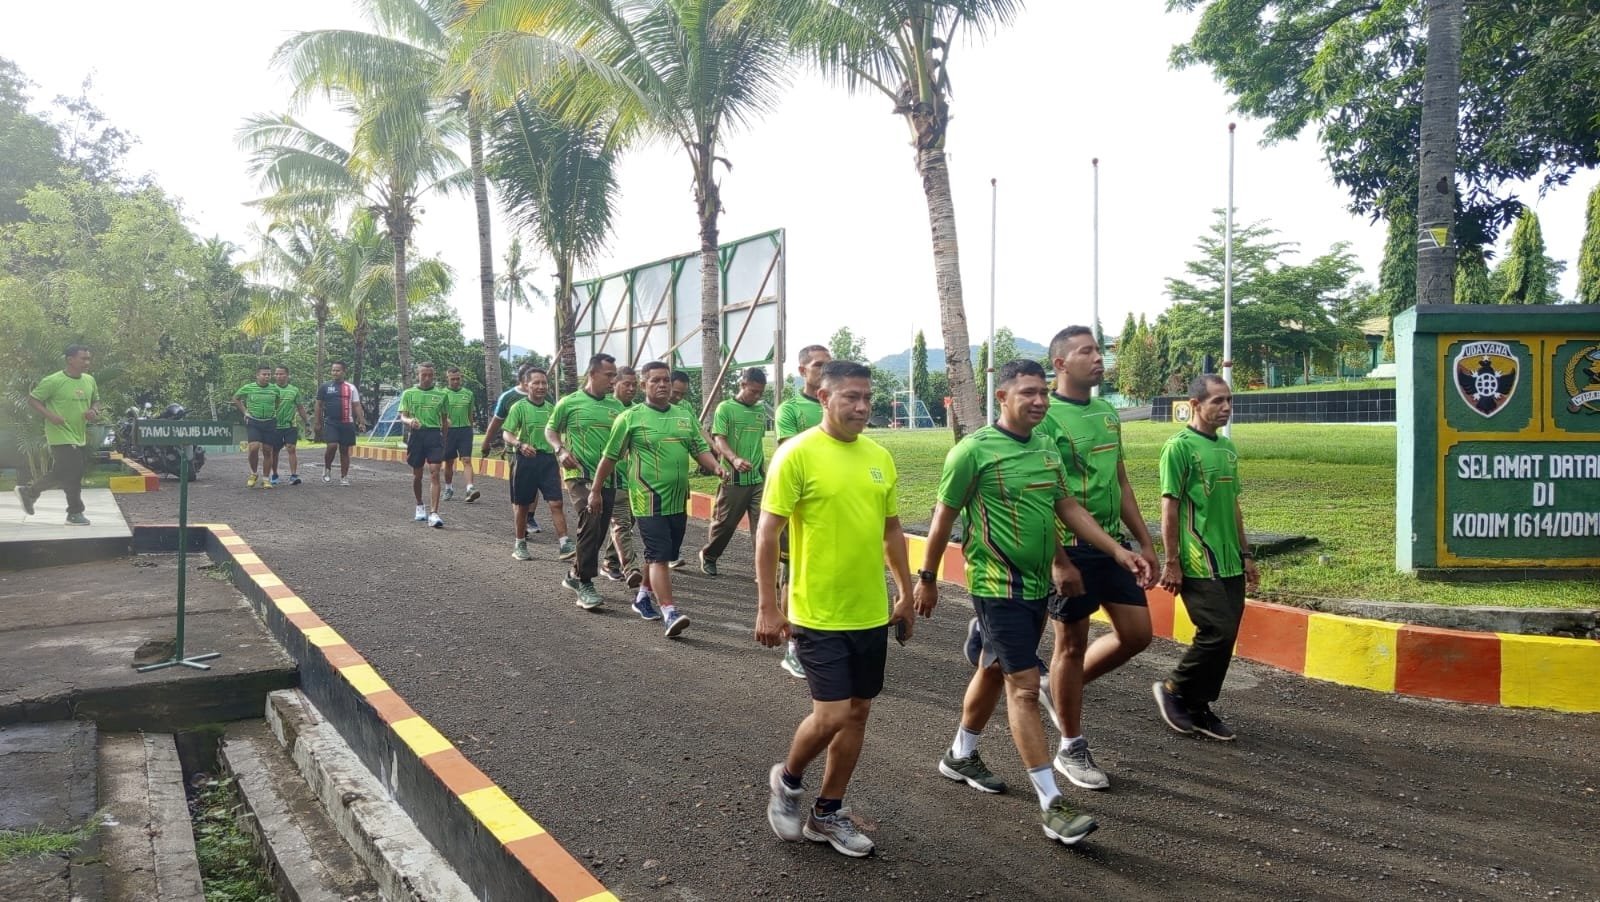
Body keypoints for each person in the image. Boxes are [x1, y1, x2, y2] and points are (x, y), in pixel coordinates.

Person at [915, 359, 1151, 847]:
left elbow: (1066, 507)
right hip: (996, 584)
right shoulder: (973, 452)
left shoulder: (1046, 447)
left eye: (1043, 392)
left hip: (1038, 583)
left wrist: (1115, 549)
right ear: (1002, 398)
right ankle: (1051, 803)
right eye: (1028, 392)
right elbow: (942, 521)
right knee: (1023, 688)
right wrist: (928, 579)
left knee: (996, 667)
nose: (1040, 400)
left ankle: (960, 754)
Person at [756, 360, 916, 859]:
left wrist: (906, 592)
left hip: (869, 611)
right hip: (817, 611)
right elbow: (768, 532)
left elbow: (891, 531)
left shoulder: (879, 457)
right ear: (824, 398)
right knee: (831, 715)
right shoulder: (796, 455)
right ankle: (788, 779)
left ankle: (828, 813)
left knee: (859, 712)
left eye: (867, 397)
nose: (862, 406)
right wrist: (767, 605)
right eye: (850, 397)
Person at [1153, 375, 1259, 741]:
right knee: (1217, 630)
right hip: (1199, 558)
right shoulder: (1179, 447)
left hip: (1230, 558)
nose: (1226, 407)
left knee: (1227, 636)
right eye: (1218, 401)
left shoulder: (1227, 450)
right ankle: (1173, 689)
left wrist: (1246, 554)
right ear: (1195, 404)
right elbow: (1170, 507)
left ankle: (1198, 706)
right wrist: (1172, 561)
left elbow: (1234, 506)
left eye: (1229, 400)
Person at [590, 361, 727, 637]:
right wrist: (595, 490)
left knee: (661, 554)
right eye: (655, 380)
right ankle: (669, 611)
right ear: (644, 385)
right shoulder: (630, 418)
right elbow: (610, 457)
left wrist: (717, 467)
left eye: (665, 379)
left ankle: (642, 596)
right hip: (646, 498)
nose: (662, 384)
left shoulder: (683, 416)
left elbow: (699, 448)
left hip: (678, 499)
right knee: (661, 555)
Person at [770, 343, 832, 679]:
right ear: (802, 371)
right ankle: (792, 644)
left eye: (828, 364)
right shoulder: (790, 409)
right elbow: (790, 456)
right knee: (791, 572)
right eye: (818, 365)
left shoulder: (835, 404)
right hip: (797, 507)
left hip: (831, 507)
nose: (824, 369)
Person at [546, 354, 623, 611]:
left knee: (599, 530)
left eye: (615, 375)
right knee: (591, 518)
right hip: (578, 474)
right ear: (592, 374)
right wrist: (560, 450)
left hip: (609, 477)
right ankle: (584, 582)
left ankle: (573, 573)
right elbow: (551, 430)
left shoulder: (617, 407)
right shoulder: (570, 402)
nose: (613, 380)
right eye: (609, 375)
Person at [16, 345, 101, 525]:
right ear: (70, 360)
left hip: (79, 434)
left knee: (62, 472)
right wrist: (51, 416)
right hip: (59, 434)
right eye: (83, 358)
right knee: (74, 471)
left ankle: (30, 492)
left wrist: (94, 411)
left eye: (88, 358)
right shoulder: (53, 381)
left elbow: (96, 400)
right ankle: (75, 512)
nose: (87, 362)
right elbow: (33, 399)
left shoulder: (89, 380)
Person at [700, 367, 768, 576]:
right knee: (725, 524)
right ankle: (709, 555)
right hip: (733, 477)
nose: (756, 396)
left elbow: (757, 442)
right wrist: (734, 459)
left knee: (762, 527)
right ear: (742, 385)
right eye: (753, 391)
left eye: (760, 392)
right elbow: (720, 438)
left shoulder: (760, 410)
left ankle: (763, 571)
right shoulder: (725, 408)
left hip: (757, 478)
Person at [500, 368, 573, 560]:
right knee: (522, 505)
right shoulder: (519, 407)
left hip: (548, 461)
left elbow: (559, 431)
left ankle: (565, 544)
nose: (541, 387)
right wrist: (519, 444)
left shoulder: (552, 409)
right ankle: (520, 544)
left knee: (556, 502)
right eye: (536, 383)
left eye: (544, 383)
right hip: (525, 461)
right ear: (526, 385)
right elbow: (506, 432)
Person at [602, 365, 644, 586]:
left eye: (634, 385)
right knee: (621, 522)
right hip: (611, 477)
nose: (631, 388)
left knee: (629, 521)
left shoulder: (640, 411)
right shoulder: (605, 408)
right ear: (614, 384)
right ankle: (631, 568)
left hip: (635, 480)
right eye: (626, 384)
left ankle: (609, 562)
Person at [484, 363, 538, 525]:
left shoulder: (544, 396)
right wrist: (486, 442)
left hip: (538, 448)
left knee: (534, 483)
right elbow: (496, 423)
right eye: (532, 380)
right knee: (520, 486)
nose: (537, 384)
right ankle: (520, 521)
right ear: (523, 380)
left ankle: (529, 517)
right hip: (515, 450)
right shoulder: (508, 398)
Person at [399, 362, 451, 528]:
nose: (427, 378)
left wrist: (444, 438)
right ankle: (419, 504)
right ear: (418, 375)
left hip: (434, 435)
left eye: (430, 375)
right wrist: (410, 421)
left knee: (435, 473)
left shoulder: (442, 395)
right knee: (418, 475)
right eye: (424, 375)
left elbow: (444, 420)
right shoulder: (409, 393)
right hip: (416, 436)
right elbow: (403, 416)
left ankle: (434, 513)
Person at [665, 369, 698, 570]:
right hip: (649, 482)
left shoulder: (685, 408)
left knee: (679, 519)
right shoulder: (642, 411)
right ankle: (616, 559)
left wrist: (714, 451)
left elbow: (697, 433)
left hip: (679, 478)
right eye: (675, 392)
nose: (678, 397)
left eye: (682, 394)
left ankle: (672, 555)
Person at [314, 361, 364, 485]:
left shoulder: (351, 387)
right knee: (331, 446)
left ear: (343, 372)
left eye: (337, 370)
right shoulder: (325, 387)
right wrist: (317, 422)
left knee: (344, 450)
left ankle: (344, 476)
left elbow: (356, 405)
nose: (335, 373)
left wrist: (361, 421)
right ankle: (327, 468)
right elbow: (319, 405)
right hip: (331, 422)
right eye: (333, 370)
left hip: (347, 423)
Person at [234, 365, 280, 489]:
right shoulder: (248, 387)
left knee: (267, 450)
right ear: (257, 375)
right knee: (253, 447)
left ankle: (266, 479)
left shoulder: (275, 389)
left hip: (269, 422)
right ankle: (253, 473)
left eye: (269, 374)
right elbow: (236, 398)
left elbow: (277, 401)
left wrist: (272, 412)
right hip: (254, 421)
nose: (267, 377)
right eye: (264, 374)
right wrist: (245, 412)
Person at [440, 366, 481, 503]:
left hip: (465, 430)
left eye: (458, 379)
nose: (456, 381)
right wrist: (444, 422)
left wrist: (470, 428)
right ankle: (448, 488)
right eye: (453, 379)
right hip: (448, 432)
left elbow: (470, 415)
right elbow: (438, 414)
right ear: (448, 379)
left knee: (467, 460)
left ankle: (470, 488)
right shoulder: (442, 394)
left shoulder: (468, 394)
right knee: (449, 462)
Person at [269, 365, 309, 486]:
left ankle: (293, 475)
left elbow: (300, 407)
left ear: (287, 375)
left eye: (281, 374)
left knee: (291, 448)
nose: (278, 376)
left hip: (290, 425)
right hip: (274, 426)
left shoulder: (294, 390)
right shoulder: (270, 389)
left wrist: (307, 422)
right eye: (276, 374)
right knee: (274, 451)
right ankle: (274, 474)